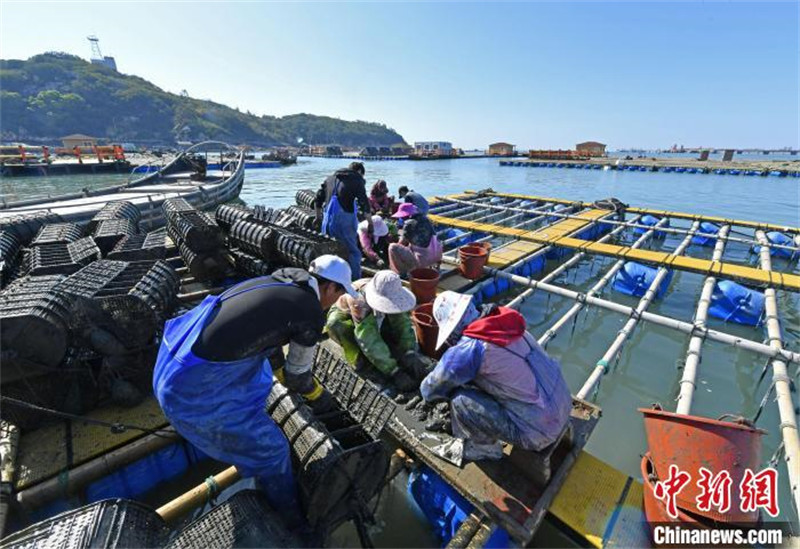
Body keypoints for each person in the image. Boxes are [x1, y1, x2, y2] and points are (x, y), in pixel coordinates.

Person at [153, 255, 356, 524]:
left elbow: (268, 340)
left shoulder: (284, 278)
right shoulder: (310, 312)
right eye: (340, 293)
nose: (335, 302)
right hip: (190, 387)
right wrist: (319, 398)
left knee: (261, 376)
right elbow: (298, 379)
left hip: (172, 357)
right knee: (273, 452)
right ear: (331, 287)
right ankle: (289, 518)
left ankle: (248, 447)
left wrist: (283, 369)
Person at [420, 291, 572, 461]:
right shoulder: (505, 324)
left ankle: (483, 448)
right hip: (564, 406)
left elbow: (431, 388)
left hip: (538, 433)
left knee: (460, 400)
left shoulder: (469, 349)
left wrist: (426, 394)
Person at [326, 270, 429, 391]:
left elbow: (402, 322)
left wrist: (409, 352)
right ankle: (362, 364)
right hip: (346, 315)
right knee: (336, 324)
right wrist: (393, 371)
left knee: (392, 332)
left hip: (372, 314)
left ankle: (390, 352)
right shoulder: (359, 302)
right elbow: (368, 339)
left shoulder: (390, 290)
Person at [316, 162, 372, 279]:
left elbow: (318, 198)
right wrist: (370, 223)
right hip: (344, 222)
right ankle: (355, 280)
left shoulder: (330, 178)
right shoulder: (357, 179)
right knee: (353, 252)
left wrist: (318, 217)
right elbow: (364, 203)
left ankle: (329, 277)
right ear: (359, 172)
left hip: (327, 221)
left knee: (330, 248)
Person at [388, 203, 443, 276]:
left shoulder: (408, 224)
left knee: (392, 247)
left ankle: (402, 273)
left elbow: (401, 243)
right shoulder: (426, 219)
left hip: (423, 260)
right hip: (437, 255)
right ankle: (435, 265)